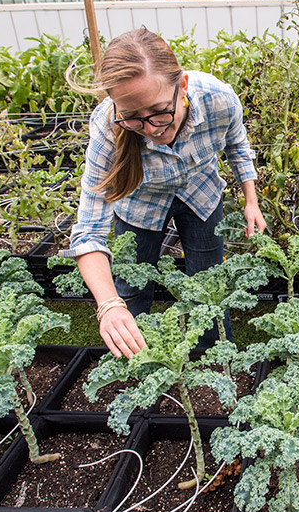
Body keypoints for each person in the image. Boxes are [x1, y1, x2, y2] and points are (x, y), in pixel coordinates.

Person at [62, 27, 266, 359]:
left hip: (200, 196)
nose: (153, 128)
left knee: (207, 286)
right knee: (130, 288)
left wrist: (251, 201)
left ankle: (212, 360)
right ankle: (139, 360)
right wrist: (109, 305)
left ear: (182, 86)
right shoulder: (106, 126)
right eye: (133, 118)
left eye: (159, 111)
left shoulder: (218, 99)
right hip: (139, 205)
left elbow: (237, 147)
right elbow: (88, 231)